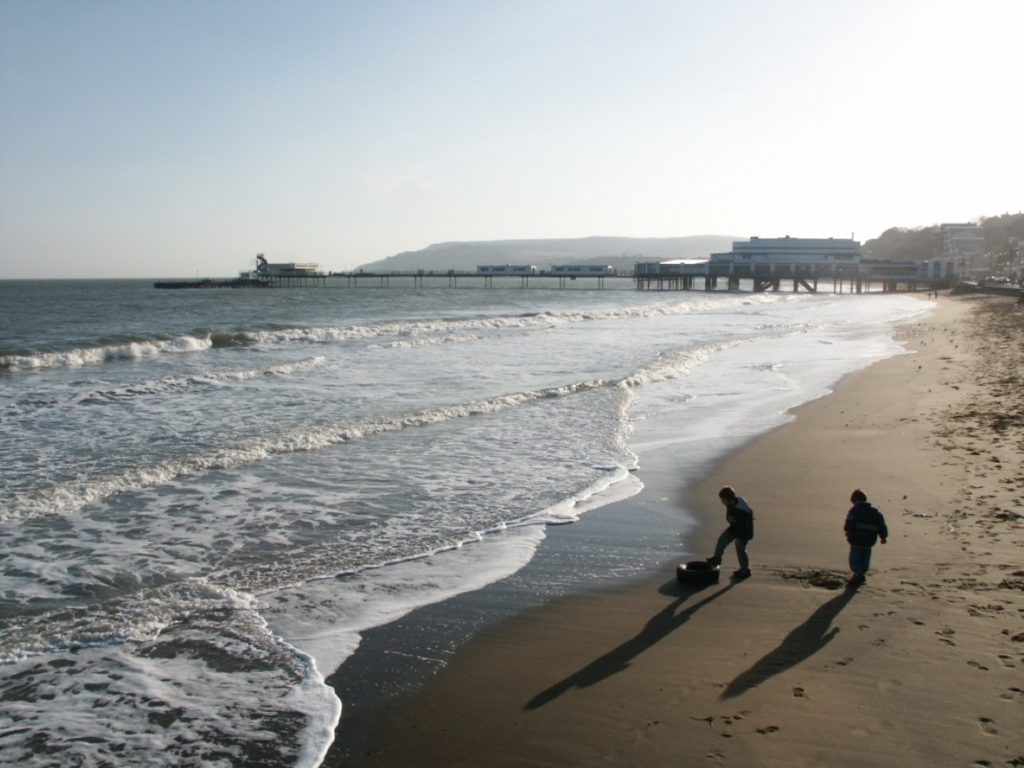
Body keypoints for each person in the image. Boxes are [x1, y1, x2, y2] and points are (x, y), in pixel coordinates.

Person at [707, 486, 754, 579]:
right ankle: (717, 559)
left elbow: (746, 523)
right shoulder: (733, 502)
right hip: (735, 527)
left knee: (740, 549)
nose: (722, 502)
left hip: (744, 531)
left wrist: (736, 523)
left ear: (728, 499)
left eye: (723, 499)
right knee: (721, 540)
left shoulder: (740, 510)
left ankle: (745, 570)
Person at [844, 489, 888, 586]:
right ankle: (862, 572)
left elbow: (849, 522)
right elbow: (881, 525)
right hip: (869, 539)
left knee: (855, 555)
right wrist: (883, 537)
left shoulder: (854, 510)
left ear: (855, 500)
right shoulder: (875, 512)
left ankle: (856, 573)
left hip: (856, 538)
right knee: (865, 555)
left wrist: (847, 530)